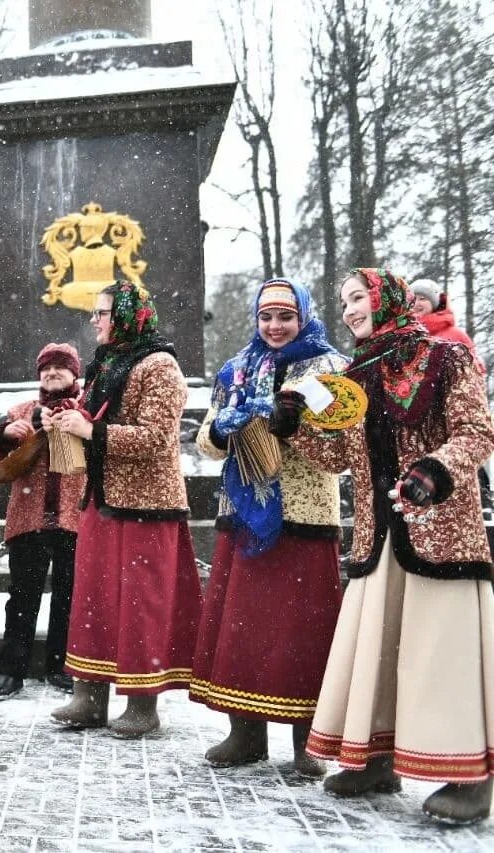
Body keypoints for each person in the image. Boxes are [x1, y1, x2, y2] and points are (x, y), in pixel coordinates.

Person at [286, 268, 494, 825]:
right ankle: (376, 761)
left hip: (441, 529)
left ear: (388, 300)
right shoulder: (356, 375)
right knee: (378, 654)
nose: (350, 309)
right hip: (379, 535)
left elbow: (477, 432)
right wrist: (296, 427)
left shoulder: (447, 358)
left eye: (358, 298)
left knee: (440, 652)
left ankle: (471, 777)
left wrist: (433, 472)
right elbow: (340, 461)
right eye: (345, 301)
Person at [191, 278, 347, 777]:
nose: (275, 327)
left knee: (303, 630)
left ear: (304, 316)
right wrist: (221, 428)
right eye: (266, 317)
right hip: (244, 513)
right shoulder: (238, 368)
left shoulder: (329, 369)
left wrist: (293, 425)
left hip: (304, 516)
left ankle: (307, 739)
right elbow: (207, 441)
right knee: (245, 626)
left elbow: (342, 452)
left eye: (286, 317)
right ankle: (245, 731)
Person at [49, 281, 202, 738]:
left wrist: (90, 431)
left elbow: (157, 439)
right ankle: (90, 695)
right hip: (102, 497)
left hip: (148, 505)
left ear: (129, 315)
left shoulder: (161, 366)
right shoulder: (107, 363)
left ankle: (142, 702)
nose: (95, 320)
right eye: (95, 312)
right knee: (93, 597)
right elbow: (92, 416)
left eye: (103, 313)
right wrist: (63, 417)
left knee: (141, 604)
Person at [0, 342, 86, 701]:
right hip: (28, 519)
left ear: (75, 373)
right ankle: (11, 671)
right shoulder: (20, 410)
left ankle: (60, 667)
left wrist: (81, 424)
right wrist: (9, 433)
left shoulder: (89, 409)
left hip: (75, 519)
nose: (52, 373)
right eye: (45, 368)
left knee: (68, 597)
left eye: (60, 367)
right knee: (22, 597)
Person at [409, 279, 483, 371]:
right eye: (413, 299)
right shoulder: (400, 334)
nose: (416, 304)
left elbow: (476, 370)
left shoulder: (455, 334)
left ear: (434, 304)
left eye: (422, 299)